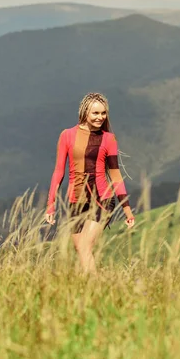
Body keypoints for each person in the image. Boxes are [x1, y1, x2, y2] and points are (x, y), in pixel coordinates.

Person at [45, 92, 135, 273]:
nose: (100, 117)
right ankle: (93, 290)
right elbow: (58, 171)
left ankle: (95, 289)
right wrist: (51, 204)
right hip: (76, 200)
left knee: (85, 247)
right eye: (96, 113)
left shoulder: (109, 139)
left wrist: (127, 211)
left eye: (103, 113)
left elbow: (116, 176)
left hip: (102, 198)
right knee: (81, 250)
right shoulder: (67, 135)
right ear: (85, 112)